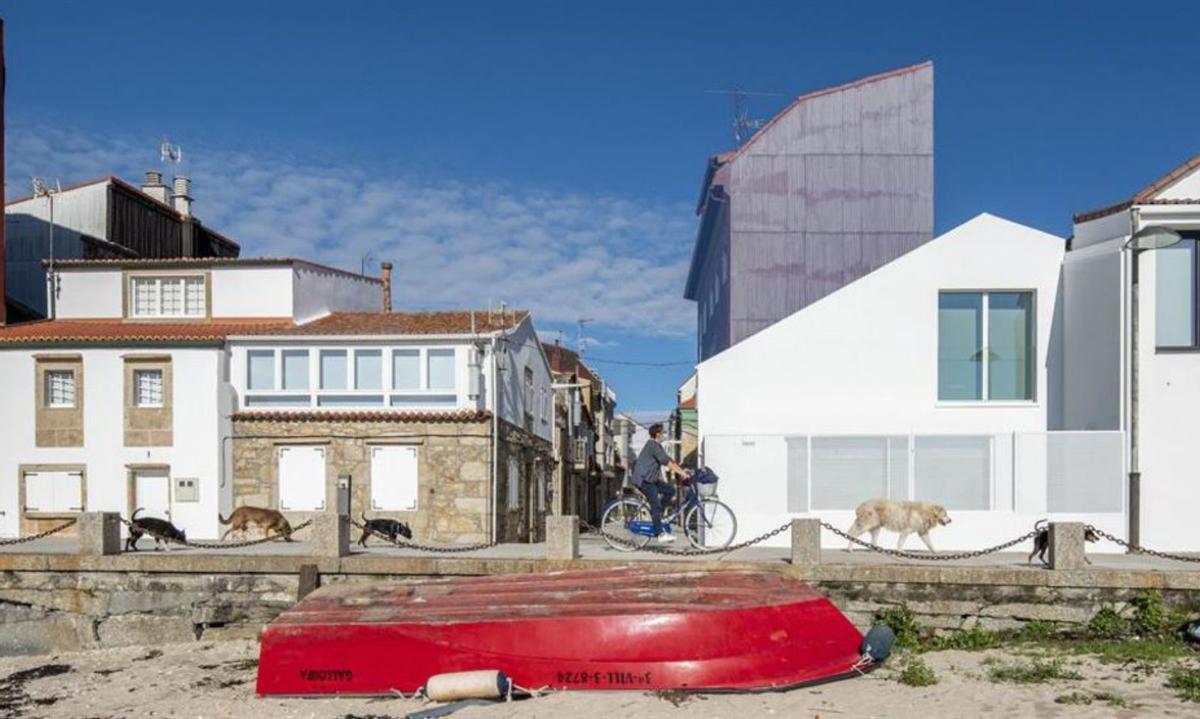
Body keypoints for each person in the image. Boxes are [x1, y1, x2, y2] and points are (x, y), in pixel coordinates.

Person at [631, 423, 690, 543]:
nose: (664, 435)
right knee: (656, 505)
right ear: (658, 434)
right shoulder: (652, 445)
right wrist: (681, 473)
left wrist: (681, 470)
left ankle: (659, 515)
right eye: (663, 433)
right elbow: (666, 463)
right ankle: (660, 534)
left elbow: (669, 460)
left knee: (670, 490)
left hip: (651, 479)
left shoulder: (657, 446)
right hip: (644, 480)